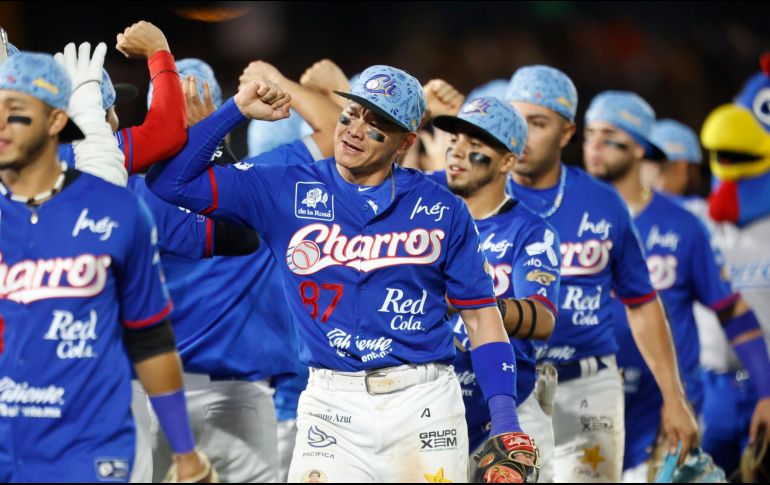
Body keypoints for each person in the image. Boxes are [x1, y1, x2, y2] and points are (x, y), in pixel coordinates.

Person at [146, 65, 537, 482]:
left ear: (406, 142)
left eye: (377, 124)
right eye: (352, 113)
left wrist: (505, 419)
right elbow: (171, 182)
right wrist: (236, 109)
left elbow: (480, 315)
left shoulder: (443, 208)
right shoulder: (283, 187)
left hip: (424, 403)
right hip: (331, 404)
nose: (354, 128)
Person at [0, 52, 211, 482]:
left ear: (57, 120)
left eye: (16, 111)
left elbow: (150, 339)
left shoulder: (118, 210)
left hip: (92, 436)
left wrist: (185, 453)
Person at [504, 66, 698, 482]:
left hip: (589, 386)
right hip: (508, 387)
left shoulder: (603, 202)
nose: (521, 135)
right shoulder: (481, 195)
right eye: (514, 120)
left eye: (537, 123)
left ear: (567, 132)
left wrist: (674, 397)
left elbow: (643, 304)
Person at [582, 92, 770, 481]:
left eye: (609, 135)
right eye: (589, 134)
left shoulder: (682, 225)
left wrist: (766, 390)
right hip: (584, 409)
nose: (594, 146)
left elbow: (731, 309)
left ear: (640, 148)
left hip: (666, 417)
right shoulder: (564, 216)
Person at [431, 96, 562, 481]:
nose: (457, 152)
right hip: (435, 408)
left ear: (508, 161)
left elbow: (542, 319)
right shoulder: (426, 214)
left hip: (510, 406)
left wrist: (472, 302)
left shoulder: (530, 231)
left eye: (476, 146)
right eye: (454, 141)